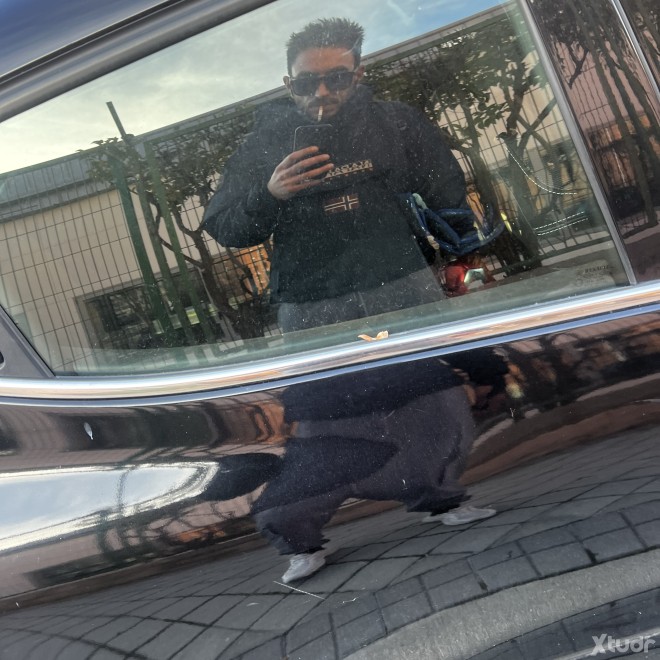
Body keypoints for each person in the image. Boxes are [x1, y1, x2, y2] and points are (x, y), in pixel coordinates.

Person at [203, 18, 495, 582]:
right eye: (305, 82)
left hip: (401, 284)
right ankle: (298, 538)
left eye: (336, 78)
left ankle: (442, 499)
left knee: (431, 402)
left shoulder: (395, 123)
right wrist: (271, 193)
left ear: (358, 74)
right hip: (313, 302)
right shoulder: (263, 143)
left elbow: (445, 190)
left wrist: (462, 258)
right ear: (286, 83)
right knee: (324, 419)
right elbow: (226, 226)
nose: (321, 92)